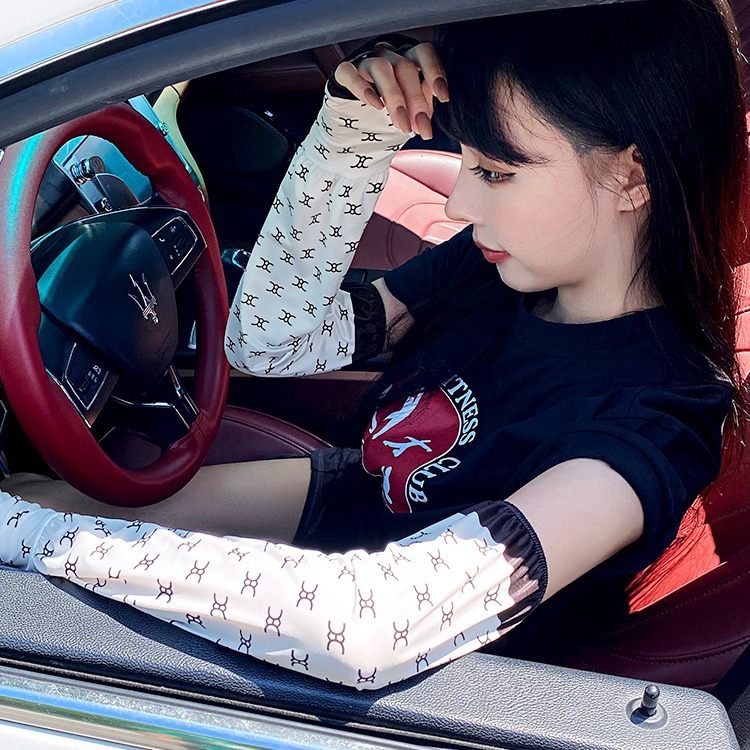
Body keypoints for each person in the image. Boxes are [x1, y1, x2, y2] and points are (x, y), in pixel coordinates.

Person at [0, 0, 746, 689]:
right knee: (38, 494)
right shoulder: (503, 271)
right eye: (464, 159)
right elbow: (271, 343)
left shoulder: (655, 422)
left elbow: (374, 626)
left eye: (495, 172)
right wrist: (355, 133)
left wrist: (39, 538)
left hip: (393, 690)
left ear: (630, 177)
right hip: (337, 511)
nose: (461, 201)